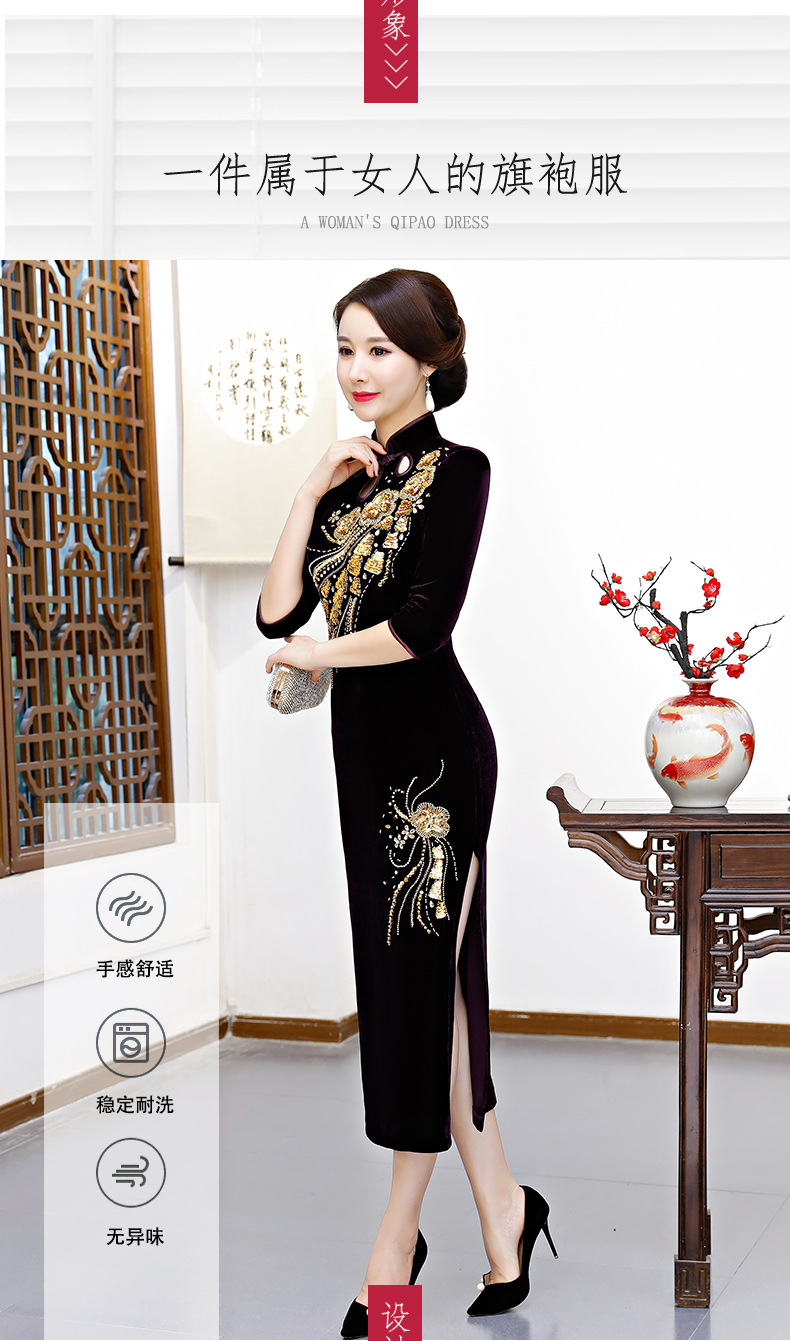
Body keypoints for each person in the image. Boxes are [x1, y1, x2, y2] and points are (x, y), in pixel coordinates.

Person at [256, 269, 556, 1337]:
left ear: (429, 360)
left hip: (436, 762)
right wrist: (307, 490)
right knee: (431, 995)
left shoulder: (460, 471)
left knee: (417, 994)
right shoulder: (346, 484)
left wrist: (316, 653)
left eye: (379, 349)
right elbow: (275, 611)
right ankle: (505, 1209)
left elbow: (421, 628)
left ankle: (394, 1250)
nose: (357, 369)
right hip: (364, 761)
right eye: (345, 347)